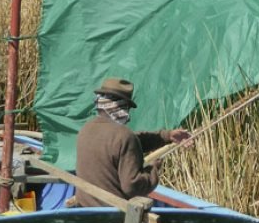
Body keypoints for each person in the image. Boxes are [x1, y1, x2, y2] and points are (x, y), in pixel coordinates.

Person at [71, 77, 191, 207]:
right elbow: (132, 187)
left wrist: (166, 136)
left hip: (86, 208)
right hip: (113, 214)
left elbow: (127, 142)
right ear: (121, 106)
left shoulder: (85, 130)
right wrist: (153, 170)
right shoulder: (124, 136)